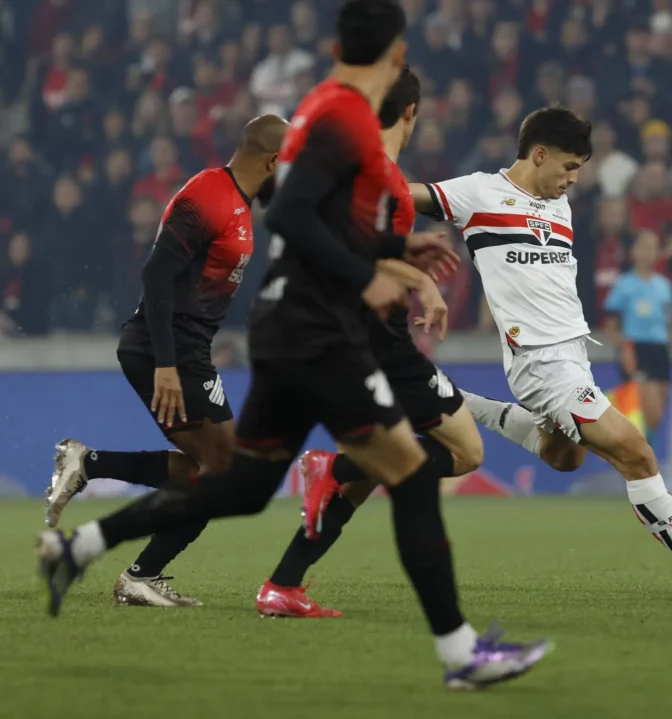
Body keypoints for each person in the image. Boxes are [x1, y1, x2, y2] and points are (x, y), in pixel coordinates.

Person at [37, 0, 550, 690]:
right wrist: (370, 272)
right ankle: (460, 654)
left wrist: (396, 250)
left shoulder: (319, 112)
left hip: (288, 329)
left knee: (240, 485)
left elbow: (318, 220)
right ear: (395, 55)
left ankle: (81, 547)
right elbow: (293, 216)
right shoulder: (341, 117)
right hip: (318, 334)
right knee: (408, 470)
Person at [334, 106, 672, 595]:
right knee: (637, 453)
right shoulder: (479, 193)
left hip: (574, 356)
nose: (574, 179)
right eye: (569, 166)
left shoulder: (560, 205)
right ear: (539, 155)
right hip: (540, 363)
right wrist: (345, 171)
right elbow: (401, 194)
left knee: (564, 458)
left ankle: (460, 402)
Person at [256, 66, 485, 619]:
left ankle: (283, 584)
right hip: (380, 339)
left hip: (358, 332)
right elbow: (357, 252)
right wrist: (423, 282)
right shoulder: (378, 173)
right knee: (465, 452)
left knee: (370, 473)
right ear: (411, 112)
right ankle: (332, 468)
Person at [44, 113, 289, 607]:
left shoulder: (239, 205)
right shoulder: (209, 193)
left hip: (186, 349)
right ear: (272, 161)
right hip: (167, 350)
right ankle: (139, 573)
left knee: (214, 470)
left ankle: (88, 464)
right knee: (226, 474)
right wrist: (167, 363)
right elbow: (156, 273)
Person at [603, 229, 672, 441]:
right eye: (643, 247)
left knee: (657, 417)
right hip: (636, 350)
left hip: (660, 350)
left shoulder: (664, 286)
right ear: (634, 251)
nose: (648, 252)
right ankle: (635, 450)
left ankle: (637, 451)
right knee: (652, 412)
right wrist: (624, 349)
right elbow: (610, 325)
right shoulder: (624, 284)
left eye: (653, 248)